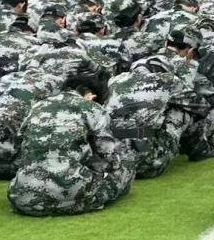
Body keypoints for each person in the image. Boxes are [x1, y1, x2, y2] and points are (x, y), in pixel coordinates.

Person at [8, 70, 134, 217]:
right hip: (71, 194)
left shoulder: (37, 106)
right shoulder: (93, 108)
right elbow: (108, 158)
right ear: (91, 96)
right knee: (127, 163)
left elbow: (18, 149)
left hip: (23, 197)